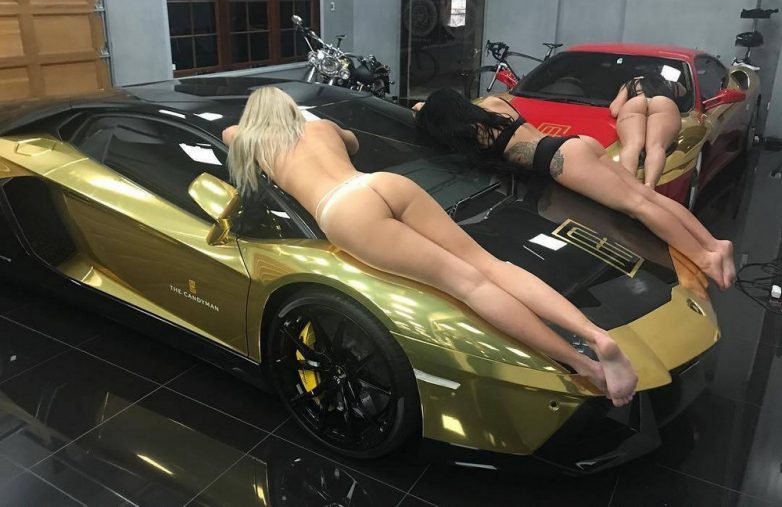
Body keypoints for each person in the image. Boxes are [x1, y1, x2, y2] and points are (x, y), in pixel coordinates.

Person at [223, 86, 638, 407]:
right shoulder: (319, 129)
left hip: (343, 211)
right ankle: (594, 335)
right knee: (490, 266)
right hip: (381, 184)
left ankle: (584, 365)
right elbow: (352, 143)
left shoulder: (251, 140)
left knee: (469, 285)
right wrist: (304, 119)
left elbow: (229, 132)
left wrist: (259, 125)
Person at [413, 88, 734, 290]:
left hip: (560, 160)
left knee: (638, 207)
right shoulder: (494, 104)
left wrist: (424, 113)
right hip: (575, 143)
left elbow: (428, 118)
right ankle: (714, 245)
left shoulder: (470, 133)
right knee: (647, 196)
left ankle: (704, 259)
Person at [608, 73, 687, 188]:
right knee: (656, 147)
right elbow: (684, 92)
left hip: (636, 102)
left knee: (631, 145)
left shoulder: (632, 83)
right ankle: (649, 186)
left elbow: (615, 110)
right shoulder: (670, 84)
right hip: (663, 103)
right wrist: (672, 83)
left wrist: (629, 85)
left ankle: (627, 185)